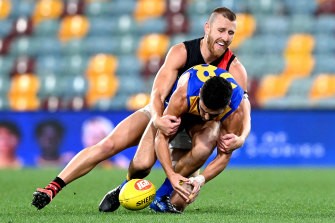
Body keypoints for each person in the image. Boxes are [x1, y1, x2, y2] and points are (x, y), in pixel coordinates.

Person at [31, 6, 250, 211]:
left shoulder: (236, 70)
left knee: (179, 202)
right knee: (126, 155)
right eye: (221, 30)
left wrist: (241, 139)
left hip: (199, 127)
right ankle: (57, 188)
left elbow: (244, 110)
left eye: (231, 33)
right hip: (166, 112)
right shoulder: (182, 52)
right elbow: (157, 94)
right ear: (207, 28)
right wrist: (157, 119)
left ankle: (162, 195)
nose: (225, 38)